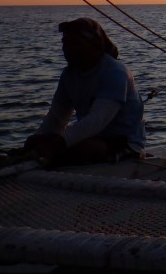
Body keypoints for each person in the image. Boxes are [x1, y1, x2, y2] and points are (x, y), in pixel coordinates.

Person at [23, 17, 146, 166]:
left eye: (75, 44)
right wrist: (39, 141)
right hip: (89, 138)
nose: (67, 49)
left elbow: (97, 120)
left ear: (94, 45)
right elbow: (57, 117)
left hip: (123, 143)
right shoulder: (69, 74)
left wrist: (58, 144)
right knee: (34, 141)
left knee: (77, 149)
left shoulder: (115, 73)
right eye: (65, 44)